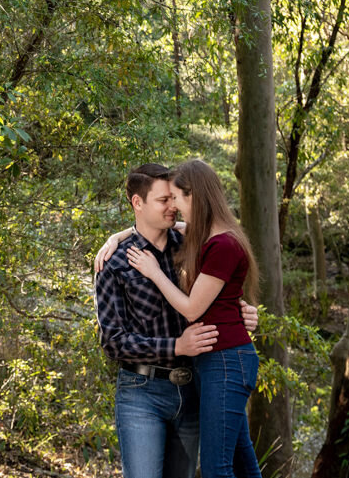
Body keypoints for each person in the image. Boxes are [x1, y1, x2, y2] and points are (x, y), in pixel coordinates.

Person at [93, 163, 258, 478]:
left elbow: (216, 290)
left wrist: (242, 310)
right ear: (137, 204)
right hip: (142, 391)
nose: (173, 207)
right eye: (163, 200)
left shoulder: (191, 243)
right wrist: (177, 346)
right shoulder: (115, 262)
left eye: (175, 198)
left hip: (194, 385)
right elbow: (112, 341)